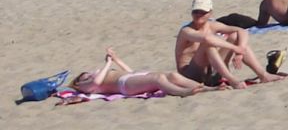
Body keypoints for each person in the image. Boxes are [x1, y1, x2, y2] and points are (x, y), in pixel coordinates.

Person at [175, 0, 283, 89]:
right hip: (190, 74)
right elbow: (207, 39)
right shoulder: (186, 31)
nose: (199, 15)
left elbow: (241, 31)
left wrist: (240, 50)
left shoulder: (213, 25)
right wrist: (234, 48)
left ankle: (263, 75)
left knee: (235, 36)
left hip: (211, 71)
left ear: (210, 13)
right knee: (208, 45)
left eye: (203, 12)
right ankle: (232, 80)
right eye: (196, 11)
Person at [71, 47, 215, 97]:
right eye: (84, 76)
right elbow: (96, 82)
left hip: (131, 77)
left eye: (88, 74)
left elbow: (129, 71)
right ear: (78, 83)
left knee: (171, 75)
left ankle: (205, 88)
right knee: (158, 79)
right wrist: (108, 63)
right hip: (124, 85)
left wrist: (116, 59)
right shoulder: (84, 86)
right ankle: (182, 92)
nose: (88, 75)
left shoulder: (98, 74)